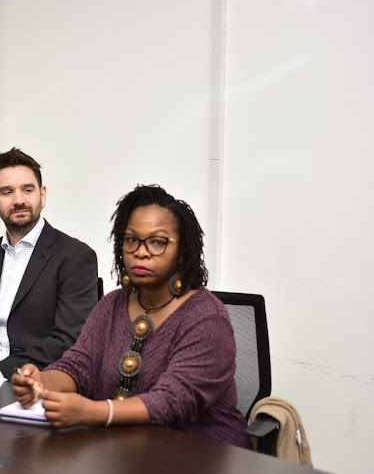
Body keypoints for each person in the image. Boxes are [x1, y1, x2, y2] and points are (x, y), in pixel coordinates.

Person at [12, 184, 251, 448]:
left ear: (182, 252)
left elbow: (173, 401)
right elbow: (79, 366)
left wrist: (94, 412)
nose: (141, 251)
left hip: (201, 452)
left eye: (158, 242)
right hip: (123, 448)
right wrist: (41, 382)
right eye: (131, 239)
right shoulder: (112, 304)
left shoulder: (207, 317)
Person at [0, 148, 98, 378]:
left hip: (36, 380)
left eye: (27, 190)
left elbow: (68, 341)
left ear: (42, 195)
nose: (19, 200)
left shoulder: (75, 257)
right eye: (7, 192)